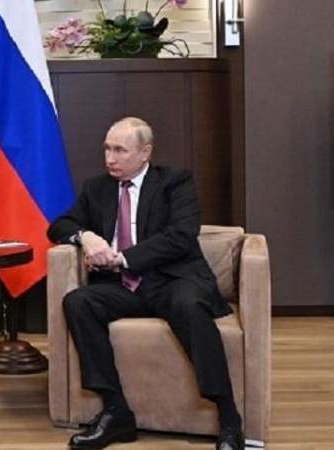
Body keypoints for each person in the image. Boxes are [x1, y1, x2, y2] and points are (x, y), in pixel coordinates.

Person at [47, 117, 244, 450]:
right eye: (107, 149)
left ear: (145, 152)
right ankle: (116, 412)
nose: (110, 158)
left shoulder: (174, 182)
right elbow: (59, 225)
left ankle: (228, 418)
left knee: (189, 305)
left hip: (173, 280)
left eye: (120, 150)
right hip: (124, 287)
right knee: (78, 302)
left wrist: (122, 258)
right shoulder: (97, 188)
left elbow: (180, 236)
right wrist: (86, 236)